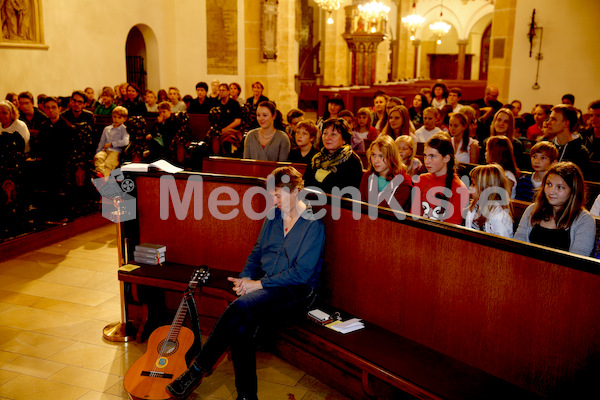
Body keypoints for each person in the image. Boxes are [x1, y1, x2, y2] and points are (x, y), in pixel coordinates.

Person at [167, 166, 325, 400]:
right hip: (268, 286)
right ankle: (246, 396)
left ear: (295, 192)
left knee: (240, 310)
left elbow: (301, 274)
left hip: (298, 291)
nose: (273, 201)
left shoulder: (313, 224)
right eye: (271, 195)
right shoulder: (273, 217)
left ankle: (197, 369)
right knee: (241, 325)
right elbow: (257, 252)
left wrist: (257, 285)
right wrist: (245, 279)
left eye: (277, 195)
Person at [514, 162, 595, 257]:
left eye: (560, 187)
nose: (551, 191)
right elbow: (517, 246)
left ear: (573, 191)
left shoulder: (584, 220)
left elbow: (577, 261)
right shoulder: (532, 209)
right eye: (548, 184)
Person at [413, 133, 468, 225]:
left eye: (432, 156)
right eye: (425, 155)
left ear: (446, 158)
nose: (427, 161)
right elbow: (414, 217)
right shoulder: (421, 180)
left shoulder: (459, 189)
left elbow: (453, 227)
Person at [303, 118, 363, 194]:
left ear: (344, 139)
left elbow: (350, 193)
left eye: (333, 134)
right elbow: (305, 184)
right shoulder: (316, 158)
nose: (327, 138)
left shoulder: (353, 161)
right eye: (325, 133)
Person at [359, 135, 413, 211]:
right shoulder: (367, 176)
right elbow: (361, 206)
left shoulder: (404, 182)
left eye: (381, 156)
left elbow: (390, 214)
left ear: (392, 157)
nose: (375, 160)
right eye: (373, 155)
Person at [465, 164, 513, 238]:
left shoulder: (499, 217)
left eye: (473, 184)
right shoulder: (474, 207)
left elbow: (502, 244)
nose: (470, 187)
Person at [546, 104, 589, 174]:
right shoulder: (548, 147)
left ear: (566, 124)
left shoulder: (580, 152)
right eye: (549, 118)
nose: (548, 122)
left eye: (553, 119)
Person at [94, 106, 130, 177]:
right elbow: (102, 142)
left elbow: (125, 141)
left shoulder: (124, 129)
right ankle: (101, 176)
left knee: (109, 163)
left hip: (116, 151)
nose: (116, 119)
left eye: (119, 118)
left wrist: (111, 144)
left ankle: (103, 180)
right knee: (98, 157)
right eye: (114, 117)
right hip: (105, 150)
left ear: (124, 119)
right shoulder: (107, 129)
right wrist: (98, 151)